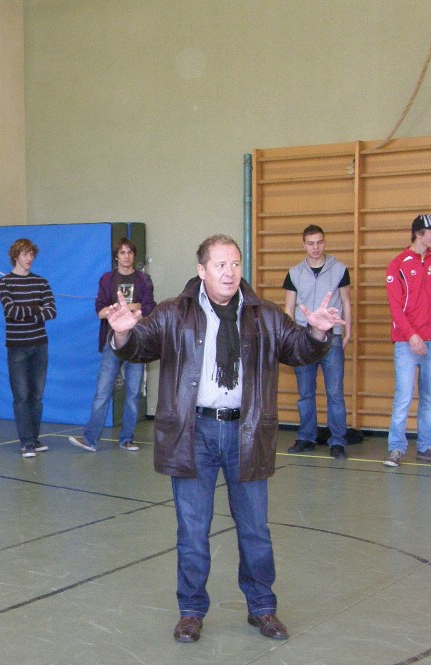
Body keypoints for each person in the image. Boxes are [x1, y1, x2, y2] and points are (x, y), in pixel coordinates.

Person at [107, 234, 343, 643]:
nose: (230, 272)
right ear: (201, 270)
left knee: (255, 529)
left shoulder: (265, 315)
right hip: (192, 434)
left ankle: (262, 607)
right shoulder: (173, 313)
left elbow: (298, 350)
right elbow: (140, 347)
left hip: (246, 434)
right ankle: (191, 611)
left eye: (235, 264)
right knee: (192, 530)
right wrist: (125, 334)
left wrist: (318, 334)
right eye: (220, 265)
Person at [383, 214, 431, 468]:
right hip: (406, 344)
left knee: (429, 398)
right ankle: (396, 448)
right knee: (403, 397)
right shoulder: (398, 264)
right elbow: (396, 308)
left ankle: (426, 446)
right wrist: (411, 335)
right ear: (419, 234)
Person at [69, 238, 156, 453]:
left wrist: (131, 306)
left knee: (133, 394)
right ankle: (90, 439)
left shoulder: (144, 280)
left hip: (137, 343)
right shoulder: (107, 279)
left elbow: (149, 307)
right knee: (102, 392)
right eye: (122, 252)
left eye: (130, 252)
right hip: (112, 342)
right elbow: (100, 309)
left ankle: (127, 439)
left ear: (134, 256)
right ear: (116, 256)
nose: (126, 256)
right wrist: (118, 309)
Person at [283, 225, 352, 459]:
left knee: (335, 392)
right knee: (305, 392)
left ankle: (338, 441)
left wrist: (348, 331)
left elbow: (346, 301)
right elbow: (289, 307)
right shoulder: (294, 273)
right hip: (304, 338)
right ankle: (306, 437)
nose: (315, 247)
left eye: (319, 242)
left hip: (332, 336)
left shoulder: (339, 269)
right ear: (304, 244)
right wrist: (291, 337)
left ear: (324, 242)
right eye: (311, 243)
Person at [0, 238, 57, 457]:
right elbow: (11, 312)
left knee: (37, 396)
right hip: (17, 347)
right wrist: (36, 308)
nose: (29, 258)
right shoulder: (4, 282)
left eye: (31, 254)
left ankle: (34, 438)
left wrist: (28, 312)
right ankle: (26, 442)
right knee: (21, 395)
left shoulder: (41, 282)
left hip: (40, 345)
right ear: (15, 256)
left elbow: (52, 311)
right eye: (25, 254)